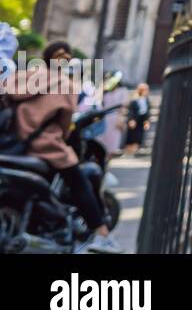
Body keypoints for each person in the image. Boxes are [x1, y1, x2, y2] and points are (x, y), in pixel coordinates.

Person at [8, 42, 123, 253]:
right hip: (45, 146)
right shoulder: (65, 84)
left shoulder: (25, 74)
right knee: (79, 182)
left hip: (12, 145)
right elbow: (64, 126)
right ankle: (101, 234)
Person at [122, 83, 150, 156]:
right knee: (131, 136)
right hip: (134, 120)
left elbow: (147, 112)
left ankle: (134, 152)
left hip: (141, 120)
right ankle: (128, 152)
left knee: (139, 136)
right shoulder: (135, 100)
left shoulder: (146, 100)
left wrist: (146, 121)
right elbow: (131, 111)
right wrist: (131, 120)